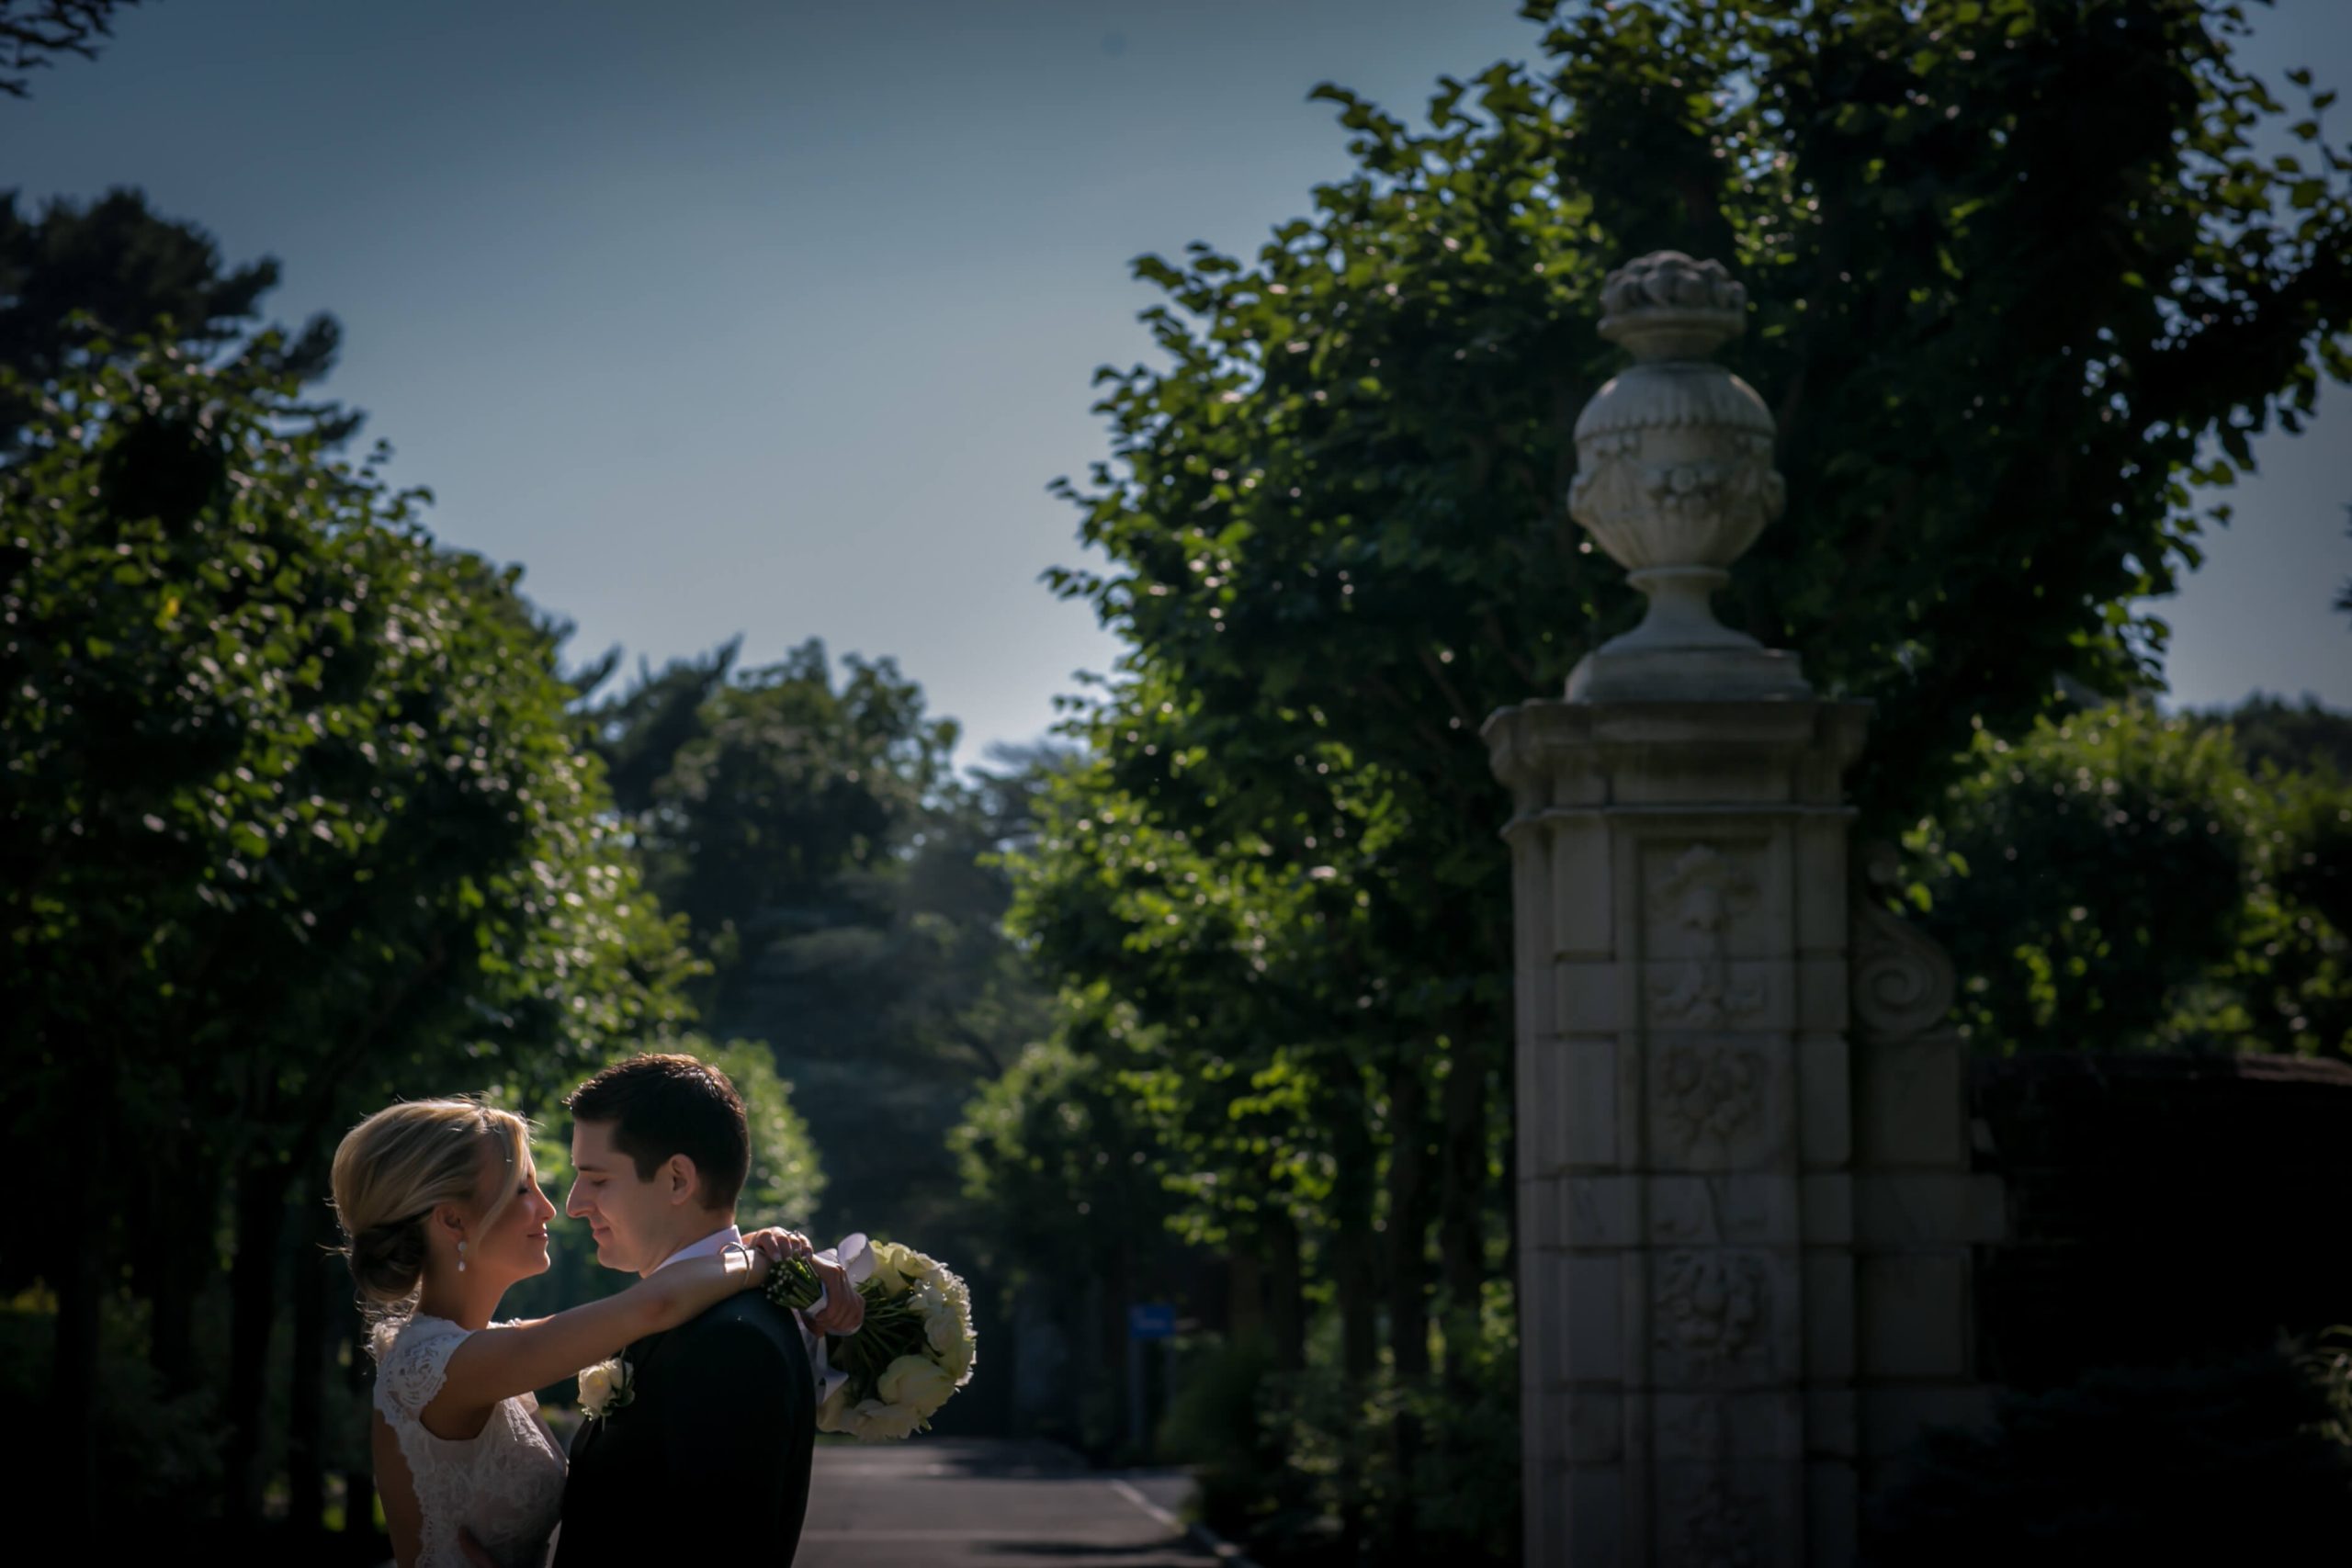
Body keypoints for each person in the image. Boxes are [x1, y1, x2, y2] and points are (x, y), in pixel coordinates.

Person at [329, 1095, 808, 1568]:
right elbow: (653, 1305)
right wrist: (764, 1262)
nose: (550, 1209)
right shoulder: (437, 1366)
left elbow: (653, 1301)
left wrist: (750, 1248)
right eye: (521, 1189)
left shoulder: (485, 1348)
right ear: (453, 1219)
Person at [546, 1053, 861, 1568]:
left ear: (676, 1180)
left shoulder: (732, 1342)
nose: (575, 1203)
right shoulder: (696, 1315)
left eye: (597, 1179)